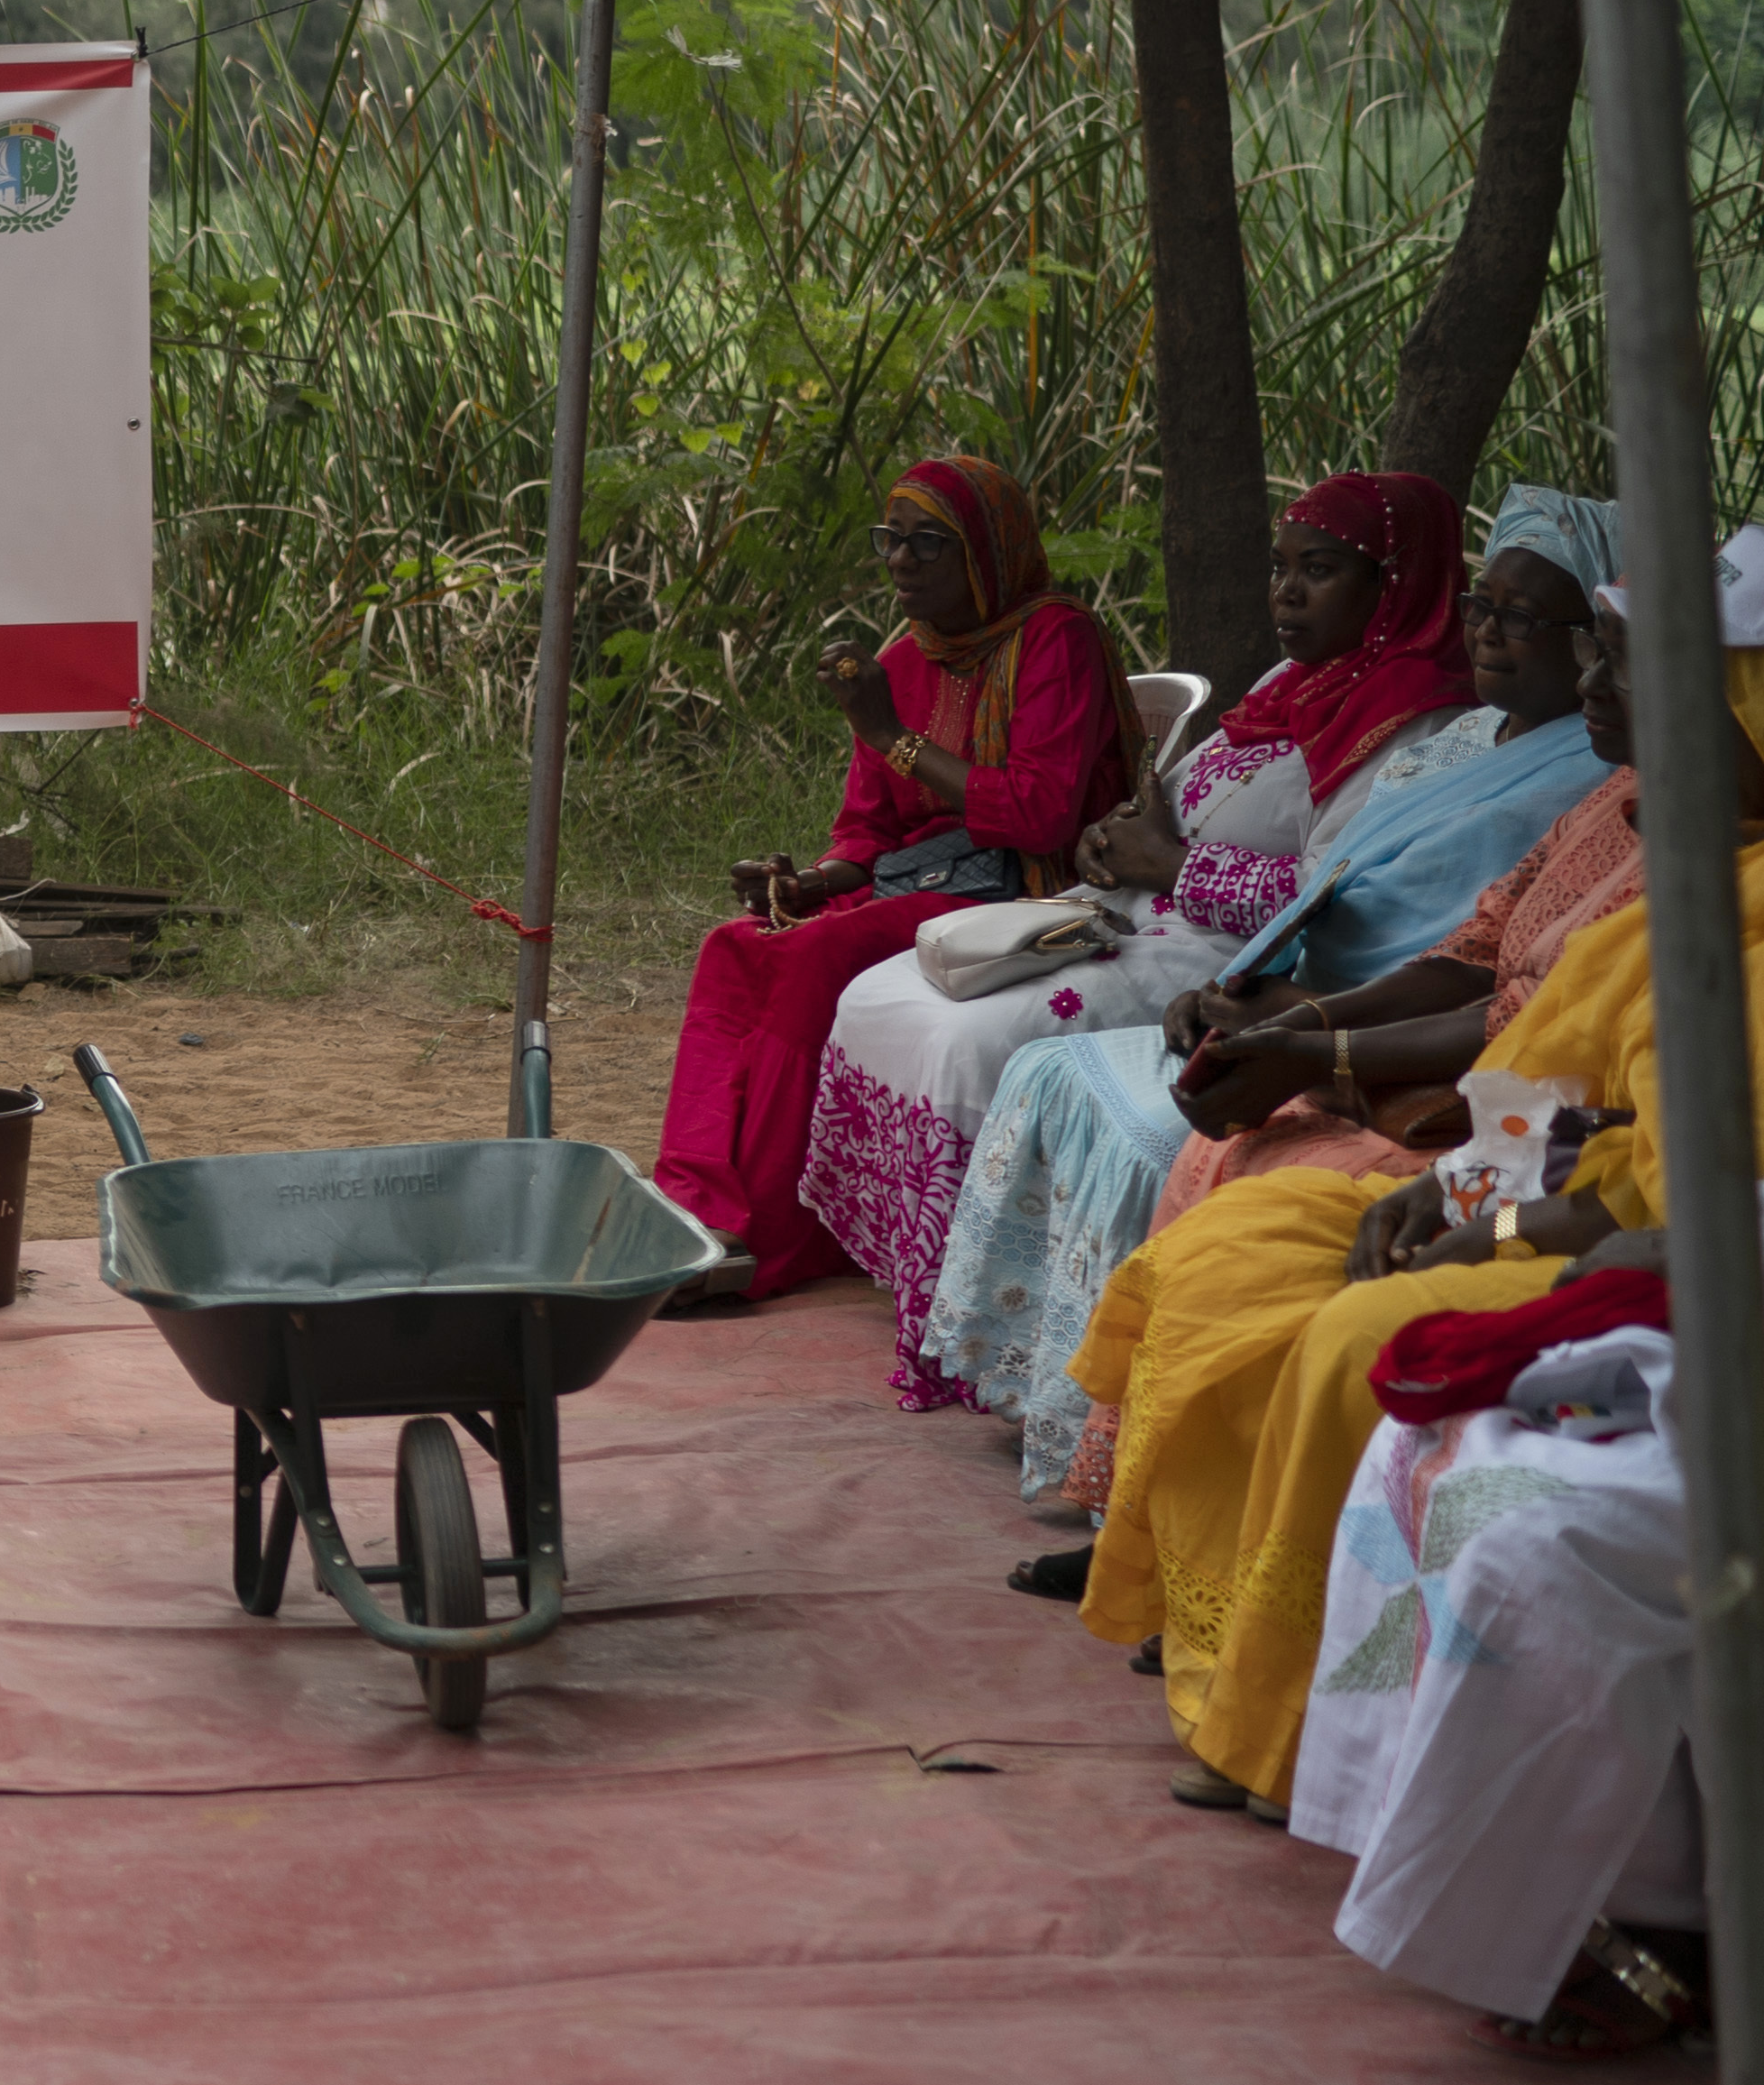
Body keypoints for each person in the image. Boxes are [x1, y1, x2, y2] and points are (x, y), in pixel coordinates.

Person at [1067, 529, 1764, 1818]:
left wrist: (1474, 1224)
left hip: (1656, 1269)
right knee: (1224, 1252)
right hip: (1530, 1183)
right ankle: (1213, 1614)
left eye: (1636, 673)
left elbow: (1671, 1192)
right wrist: (1435, 1190)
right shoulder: (1656, 855)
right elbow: (1548, 1086)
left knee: (1352, 1334)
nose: (1606, 694)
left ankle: (1296, 1725)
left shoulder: (1738, 926)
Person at [919, 491, 1622, 1508]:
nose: (1493, 634)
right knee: (1158, 1138)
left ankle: (1191, 1494)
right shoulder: (1512, 761)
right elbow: (1457, 942)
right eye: (1484, 605)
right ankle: (1132, 1471)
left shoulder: (1600, 800)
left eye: (1551, 629)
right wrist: (1287, 1015)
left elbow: (1521, 1020)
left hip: (1519, 1129)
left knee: (1264, 1233)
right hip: (1372, 1028)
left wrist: (1313, 1043)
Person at [807, 472, 1486, 1397]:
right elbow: (1183, 797)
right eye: (1281, 567)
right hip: (1133, 906)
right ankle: (928, 1291)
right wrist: (1118, 836)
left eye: (1319, 570)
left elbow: (1336, 896)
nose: (1286, 592)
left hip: (1219, 950)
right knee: (878, 997)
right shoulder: (1297, 680)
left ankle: (985, 1332)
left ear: (1396, 583)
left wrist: (1167, 864)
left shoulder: (1413, 726)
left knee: (972, 1039)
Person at [648, 457, 1139, 1295]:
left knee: (806, 963)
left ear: (989, 552)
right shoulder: (903, 659)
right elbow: (869, 831)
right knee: (736, 945)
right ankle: (692, 1205)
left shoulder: (1056, 638)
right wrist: (811, 884)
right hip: (923, 882)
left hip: (1022, 885)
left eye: (928, 545)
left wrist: (891, 735)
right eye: (891, 541)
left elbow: (1040, 814)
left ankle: (768, 1235)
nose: (901, 563)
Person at [1288, 1262, 1710, 2057]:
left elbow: (1600, 1185)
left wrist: (1514, 1224)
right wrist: (1455, 1198)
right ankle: (1254, 1714)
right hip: (1597, 1241)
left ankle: (1650, 1908)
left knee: (1526, 1544)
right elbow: (1571, 1158)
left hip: (1634, 1258)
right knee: (1400, 1403)